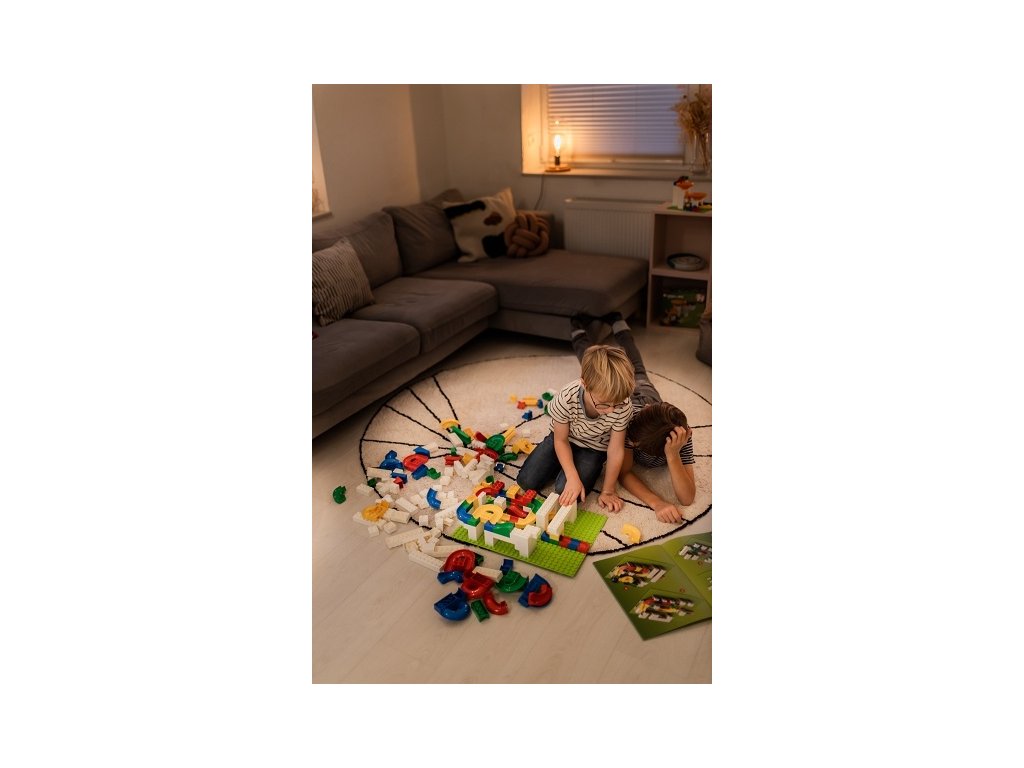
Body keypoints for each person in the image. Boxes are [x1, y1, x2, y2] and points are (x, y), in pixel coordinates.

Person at [570, 312, 696, 524]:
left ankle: (614, 321)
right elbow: (624, 473)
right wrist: (657, 502)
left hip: (646, 399)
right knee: (600, 365)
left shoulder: (680, 436)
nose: (629, 442)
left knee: (636, 366)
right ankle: (580, 327)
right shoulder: (629, 422)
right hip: (641, 396)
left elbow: (687, 498)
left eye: (632, 443)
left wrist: (673, 455)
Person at [516, 344, 635, 512]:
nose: (611, 410)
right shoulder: (565, 398)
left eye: (617, 404)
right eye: (604, 404)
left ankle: (568, 467)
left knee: (566, 493)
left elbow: (615, 449)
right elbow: (560, 440)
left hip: (594, 448)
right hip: (563, 439)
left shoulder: (623, 405)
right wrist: (572, 476)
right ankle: (562, 465)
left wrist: (608, 490)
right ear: (584, 384)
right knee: (526, 481)